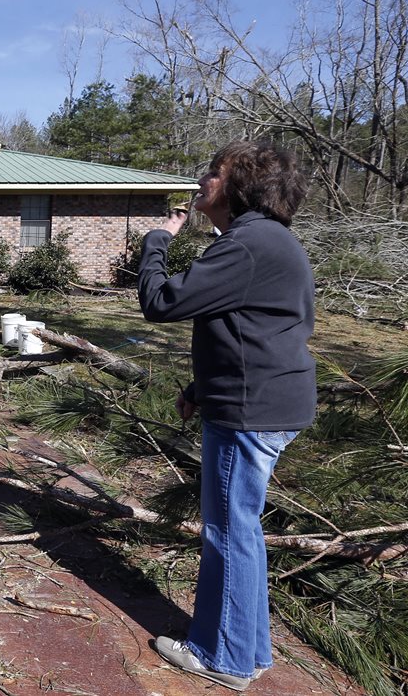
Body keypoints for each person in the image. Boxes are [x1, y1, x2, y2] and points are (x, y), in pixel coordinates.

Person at [137, 141, 315, 692]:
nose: (200, 182)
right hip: (259, 399)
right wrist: (200, 385)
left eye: (212, 174)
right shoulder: (267, 241)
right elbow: (250, 331)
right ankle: (250, 649)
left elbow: (162, 302)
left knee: (228, 532)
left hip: (249, 412)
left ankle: (225, 660)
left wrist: (157, 242)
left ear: (241, 187)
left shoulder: (247, 244)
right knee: (243, 531)